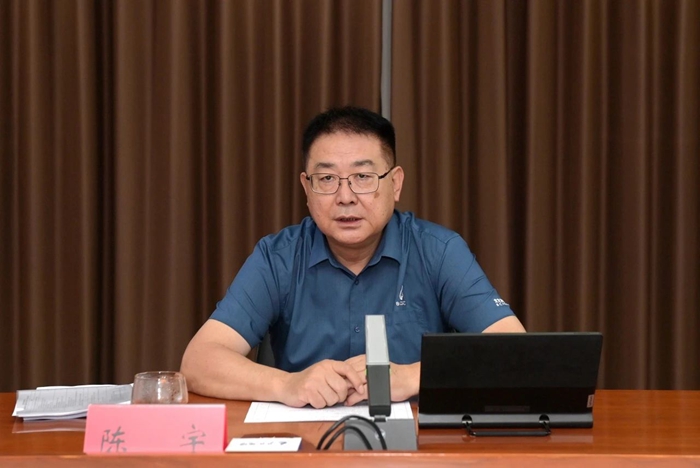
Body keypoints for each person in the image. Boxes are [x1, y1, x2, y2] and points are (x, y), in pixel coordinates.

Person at [180, 106, 525, 409]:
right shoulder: (278, 258)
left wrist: (410, 377)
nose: (345, 196)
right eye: (327, 178)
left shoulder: (438, 251)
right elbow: (198, 362)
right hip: (307, 444)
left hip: (415, 446)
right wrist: (287, 385)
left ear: (396, 184)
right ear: (306, 188)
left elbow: (514, 351)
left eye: (363, 177)